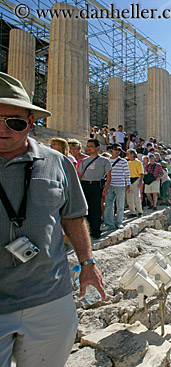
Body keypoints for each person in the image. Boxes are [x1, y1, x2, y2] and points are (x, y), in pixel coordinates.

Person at [0, 71, 105, 366]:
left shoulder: (57, 162)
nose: (3, 130)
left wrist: (87, 263)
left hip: (50, 297)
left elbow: (73, 217)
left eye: (14, 122)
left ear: (31, 123)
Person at [78, 139, 112, 239]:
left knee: (96, 208)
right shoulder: (84, 161)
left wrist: (106, 187)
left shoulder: (104, 160)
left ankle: (96, 231)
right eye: (88, 146)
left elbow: (109, 175)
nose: (88, 148)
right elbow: (80, 174)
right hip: (85, 184)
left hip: (97, 185)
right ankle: (87, 231)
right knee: (86, 208)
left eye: (91, 146)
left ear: (97, 148)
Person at [103, 143, 130, 230]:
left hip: (120, 185)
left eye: (119, 150)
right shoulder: (106, 160)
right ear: (111, 150)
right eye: (115, 149)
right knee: (108, 205)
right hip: (109, 185)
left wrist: (128, 184)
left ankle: (119, 222)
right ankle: (109, 223)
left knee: (120, 205)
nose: (117, 151)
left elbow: (127, 173)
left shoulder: (123, 161)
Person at [126, 149, 143, 218]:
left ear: (132, 154)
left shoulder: (138, 162)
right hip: (129, 180)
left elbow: (141, 173)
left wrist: (140, 182)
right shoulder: (128, 163)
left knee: (137, 197)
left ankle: (140, 211)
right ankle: (132, 212)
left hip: (136, 179)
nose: (127, 155)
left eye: (128, 154)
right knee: (129, 198)